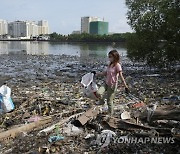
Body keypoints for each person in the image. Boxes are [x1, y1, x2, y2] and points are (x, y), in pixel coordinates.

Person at [92, 50, 129, 116]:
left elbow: (121, 76)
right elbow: (105, 73)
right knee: (98, 93)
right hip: (106, 83)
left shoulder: (117, 65)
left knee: (109, 101)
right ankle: (102, 101)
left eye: (110, 56)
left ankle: (110, 114)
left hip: (112, 85)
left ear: (115, 57)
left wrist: (125, 86)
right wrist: (96, 73)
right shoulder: (110, 64)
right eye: (109, 56)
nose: (109, 58)